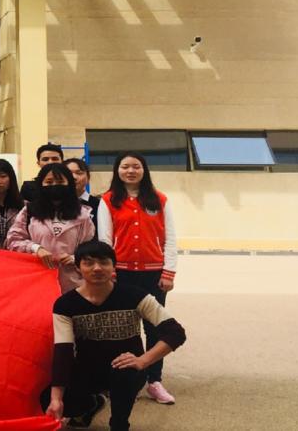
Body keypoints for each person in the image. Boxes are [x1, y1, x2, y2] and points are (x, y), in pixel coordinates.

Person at [43, 240, 187, 431]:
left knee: (124, 373)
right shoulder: (65, 304)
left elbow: (175, 333)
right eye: (88, 263)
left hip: (127, 368)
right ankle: (93, 403)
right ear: (78, 268)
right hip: (88, 369)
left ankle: (119, 423)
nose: (97, 268)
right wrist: (56, 399)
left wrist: (143, 361)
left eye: (104, 262)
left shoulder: (136, 296)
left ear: (113, 267)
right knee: (47, 399)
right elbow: (63, 351)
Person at [97, 152, 178, 405]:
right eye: (125, 166)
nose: (130, 171)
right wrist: (109, 272)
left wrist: (169, 272)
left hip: (154, 274)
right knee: (123, 327)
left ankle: (154, 381)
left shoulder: (160, 199)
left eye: (136, 166)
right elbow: (104, 240)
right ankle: (123, 379)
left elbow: (171, 239)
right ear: (117, 170)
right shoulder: (108, 200)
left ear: (144, 170)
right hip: (121, 274)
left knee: (154, 327)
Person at [6, 163, 95, 292]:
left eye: (60, 181)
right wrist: (36, 248)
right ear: (40, 184)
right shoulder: (29, 211)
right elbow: (13, 240)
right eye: (49, 182)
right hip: (36, 280)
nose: (54, 185)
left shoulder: (83, 214)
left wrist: (74, 258)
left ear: (69, 184)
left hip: (73, 282)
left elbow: (91, 247)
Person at [65, 158, 101, 233]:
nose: (74, 177)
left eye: (79, 173)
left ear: (88, 178)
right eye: (68, 173)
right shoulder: (55, 203)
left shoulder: (99, 205)